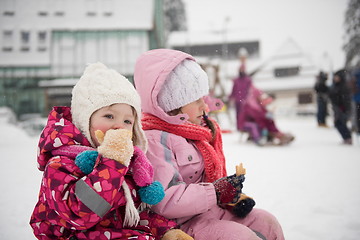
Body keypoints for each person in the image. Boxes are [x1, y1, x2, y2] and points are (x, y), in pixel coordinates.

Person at [30, 62, 193, 240]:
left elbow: (131, 214)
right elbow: (81, 215)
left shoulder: (129, 165)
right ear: (84, 121)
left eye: (127, 121)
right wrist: (112, 162)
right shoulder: (61, 164)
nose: (118, 126)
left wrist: (165, 230)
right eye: (109, 116)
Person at [134, 49, 285, 240]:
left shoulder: (198, 133)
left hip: (212, 211)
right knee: (240, 237)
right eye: (196, 101)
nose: (204, 107)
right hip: (182, 224)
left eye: (203, 99)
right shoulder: (156, 139)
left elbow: (211, 178)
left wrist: (232, 195)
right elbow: (165, 200)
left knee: (266, 221)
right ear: (171, 104)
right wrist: (215, 192)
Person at [229, 60, 294, 146]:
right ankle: (261, 138)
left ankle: (278, 135)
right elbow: (256, 115)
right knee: (256, 123)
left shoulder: (248, 81)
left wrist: (268, 115)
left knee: (267, 121)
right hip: (240, 102)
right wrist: (231, 98)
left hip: (245, 102)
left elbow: (260, 111)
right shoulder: (238, 82)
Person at [329, 69, 353, 145]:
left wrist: (344, 108)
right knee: (338, 123)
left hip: (342, 108)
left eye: (337, 77)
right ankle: (346, 138)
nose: (335, 78)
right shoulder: (335, 86)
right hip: (337, 107)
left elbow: (346, 98)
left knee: (340, 123)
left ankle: (348, 138)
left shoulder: (343, 86)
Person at [350, 67, 360, 136]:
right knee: (356, 115)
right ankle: (357, 128)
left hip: (356, 99)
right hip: (356, 99)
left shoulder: (354, 77)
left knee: (356, 115)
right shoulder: (355, 77)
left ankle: (357, 128)